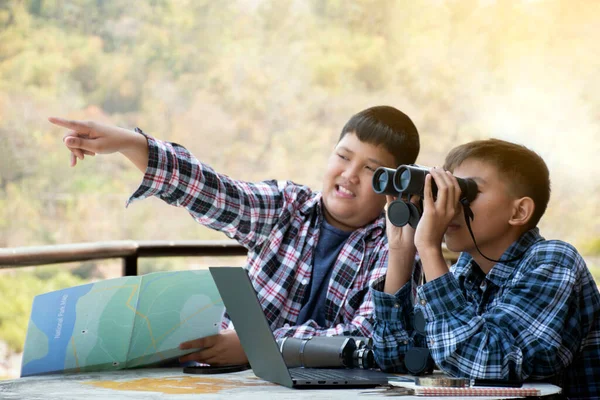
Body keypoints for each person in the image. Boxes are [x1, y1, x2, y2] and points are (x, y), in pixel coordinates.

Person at [50, 105, 420, 366]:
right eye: (343, 156)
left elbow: (366, 336)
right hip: (231, 379)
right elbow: (217, 194)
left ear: (395, 186)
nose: (349, 174)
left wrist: (259, 346)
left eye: (371, 169)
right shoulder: (286, 206)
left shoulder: (396, 246)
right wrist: (131, 143)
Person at [371, 138, 600, 398]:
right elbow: (395, 356)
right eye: (444, 190)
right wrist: (401, 251)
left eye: (464, 192)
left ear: (519, 211)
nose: (449, 204)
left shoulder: (553, 261)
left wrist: (430, 248)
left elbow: (484, 362)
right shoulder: (467, 271)